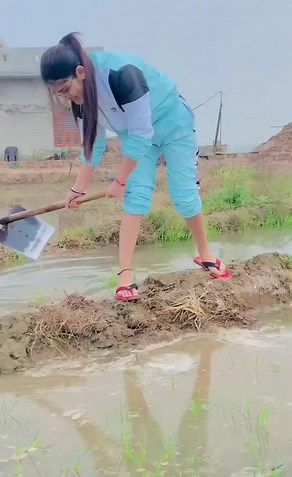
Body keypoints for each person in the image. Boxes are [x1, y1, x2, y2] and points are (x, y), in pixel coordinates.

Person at [40, 33, 231, 302]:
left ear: (80, 72)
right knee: (136, 199)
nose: (63, 98)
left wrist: (119, 181)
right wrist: (78, 189)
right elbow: (92, 146)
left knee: (184, 196)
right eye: (56, 93)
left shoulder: (121, 75)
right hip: (136, 135)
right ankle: (125, 276)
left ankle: (206, 254)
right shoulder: (81, 103)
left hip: (173, 123)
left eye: (63, 89)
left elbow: (143, 133)